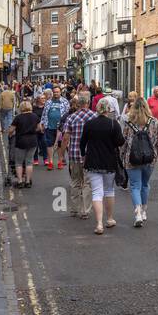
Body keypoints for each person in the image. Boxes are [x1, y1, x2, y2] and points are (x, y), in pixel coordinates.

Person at [81, 98, 124, 235]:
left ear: (97, 109)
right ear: (109, 109)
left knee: (96, 192)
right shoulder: (114, 124)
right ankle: (110, 219)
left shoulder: (89, 124)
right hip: (109, 162)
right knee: (109, 191)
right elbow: (120, 142)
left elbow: (83, 143)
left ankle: (99, 224)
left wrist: (83, 155)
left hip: (93, 161)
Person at [121, 96, 158, 226]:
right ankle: (144, 211)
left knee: (135, 186)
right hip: (149, 159)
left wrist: (121, 157)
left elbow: (123, 142)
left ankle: (138, 213)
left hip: (131, 159)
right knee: (145, 185)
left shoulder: (129, 121)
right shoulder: (154, 121)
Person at [58, 91, 98, 219]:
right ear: (87, 103)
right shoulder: (94, 117)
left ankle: (74, 209)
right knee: (87, 183)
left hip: (74, 154)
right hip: (89, 155)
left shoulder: (71, 118)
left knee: (75, 181)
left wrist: (61, 155)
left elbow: (65, 138)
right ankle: (85, 210)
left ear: (77, 104)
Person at [10, 100, 40, 187]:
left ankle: (20, 182)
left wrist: (11, 133)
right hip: (32, 141)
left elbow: (11, 130)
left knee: (19, 162)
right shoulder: (35, 116)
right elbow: (39, 128)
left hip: (21, 141)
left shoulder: (18, 117)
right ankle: (27, 182)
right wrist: (32, 131)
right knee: (29, 162)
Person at [40, 85, 70, 170]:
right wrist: (42, 124)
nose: (56, 93)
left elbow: (68, 114)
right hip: (49, 126)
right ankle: (50, 162)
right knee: (49, 144)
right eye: (55, 92)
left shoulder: (65, 101)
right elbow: (44, 113)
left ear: (60, 92)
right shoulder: (48, 102)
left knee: (60, 145)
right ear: (53, 93)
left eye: (57, 92)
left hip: (61, 128)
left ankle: (60, 162)